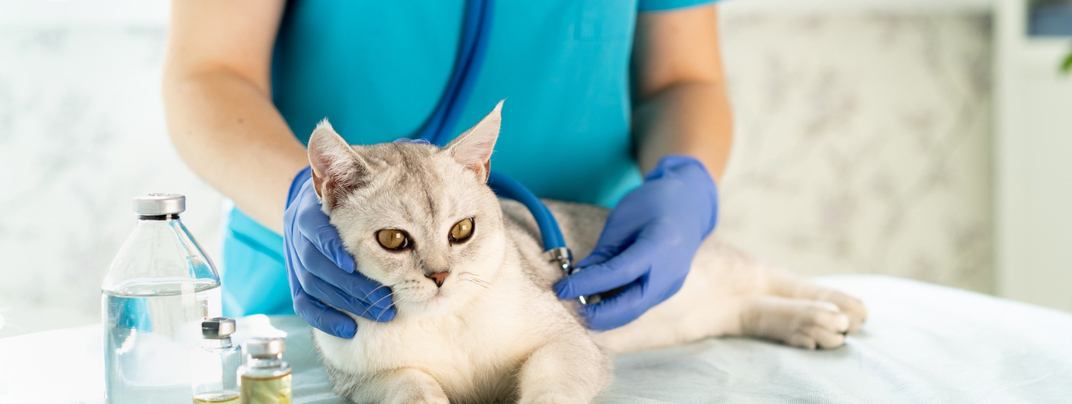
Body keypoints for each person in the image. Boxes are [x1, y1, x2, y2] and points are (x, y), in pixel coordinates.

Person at [163, 0, 732, 338]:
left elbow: (681, 79)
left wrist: (685, 182)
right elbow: (208, 72)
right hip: (336, 288)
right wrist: (296, 195)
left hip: (583, 267)